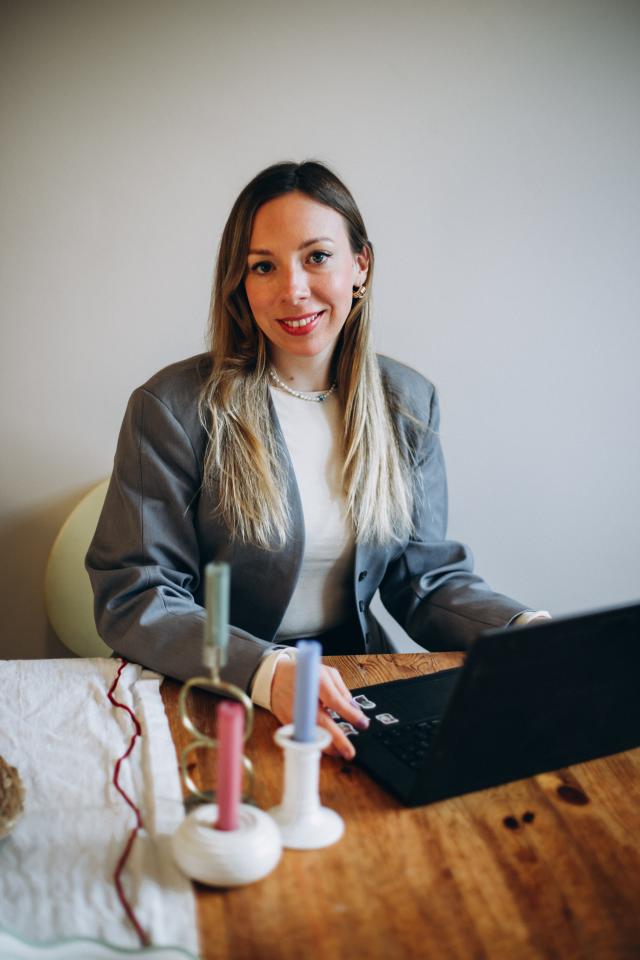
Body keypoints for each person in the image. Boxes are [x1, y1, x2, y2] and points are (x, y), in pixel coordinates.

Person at [86, 160, 548, 762]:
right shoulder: (171, 408)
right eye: (263, 266)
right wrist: (265, 669)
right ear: (239, 283)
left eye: (317, 257)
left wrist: (526, 633)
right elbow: (137, 594)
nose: (293, 290)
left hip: (353, 682)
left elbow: (424, 580)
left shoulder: (409, 404)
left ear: (361, 266)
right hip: (212, 687)